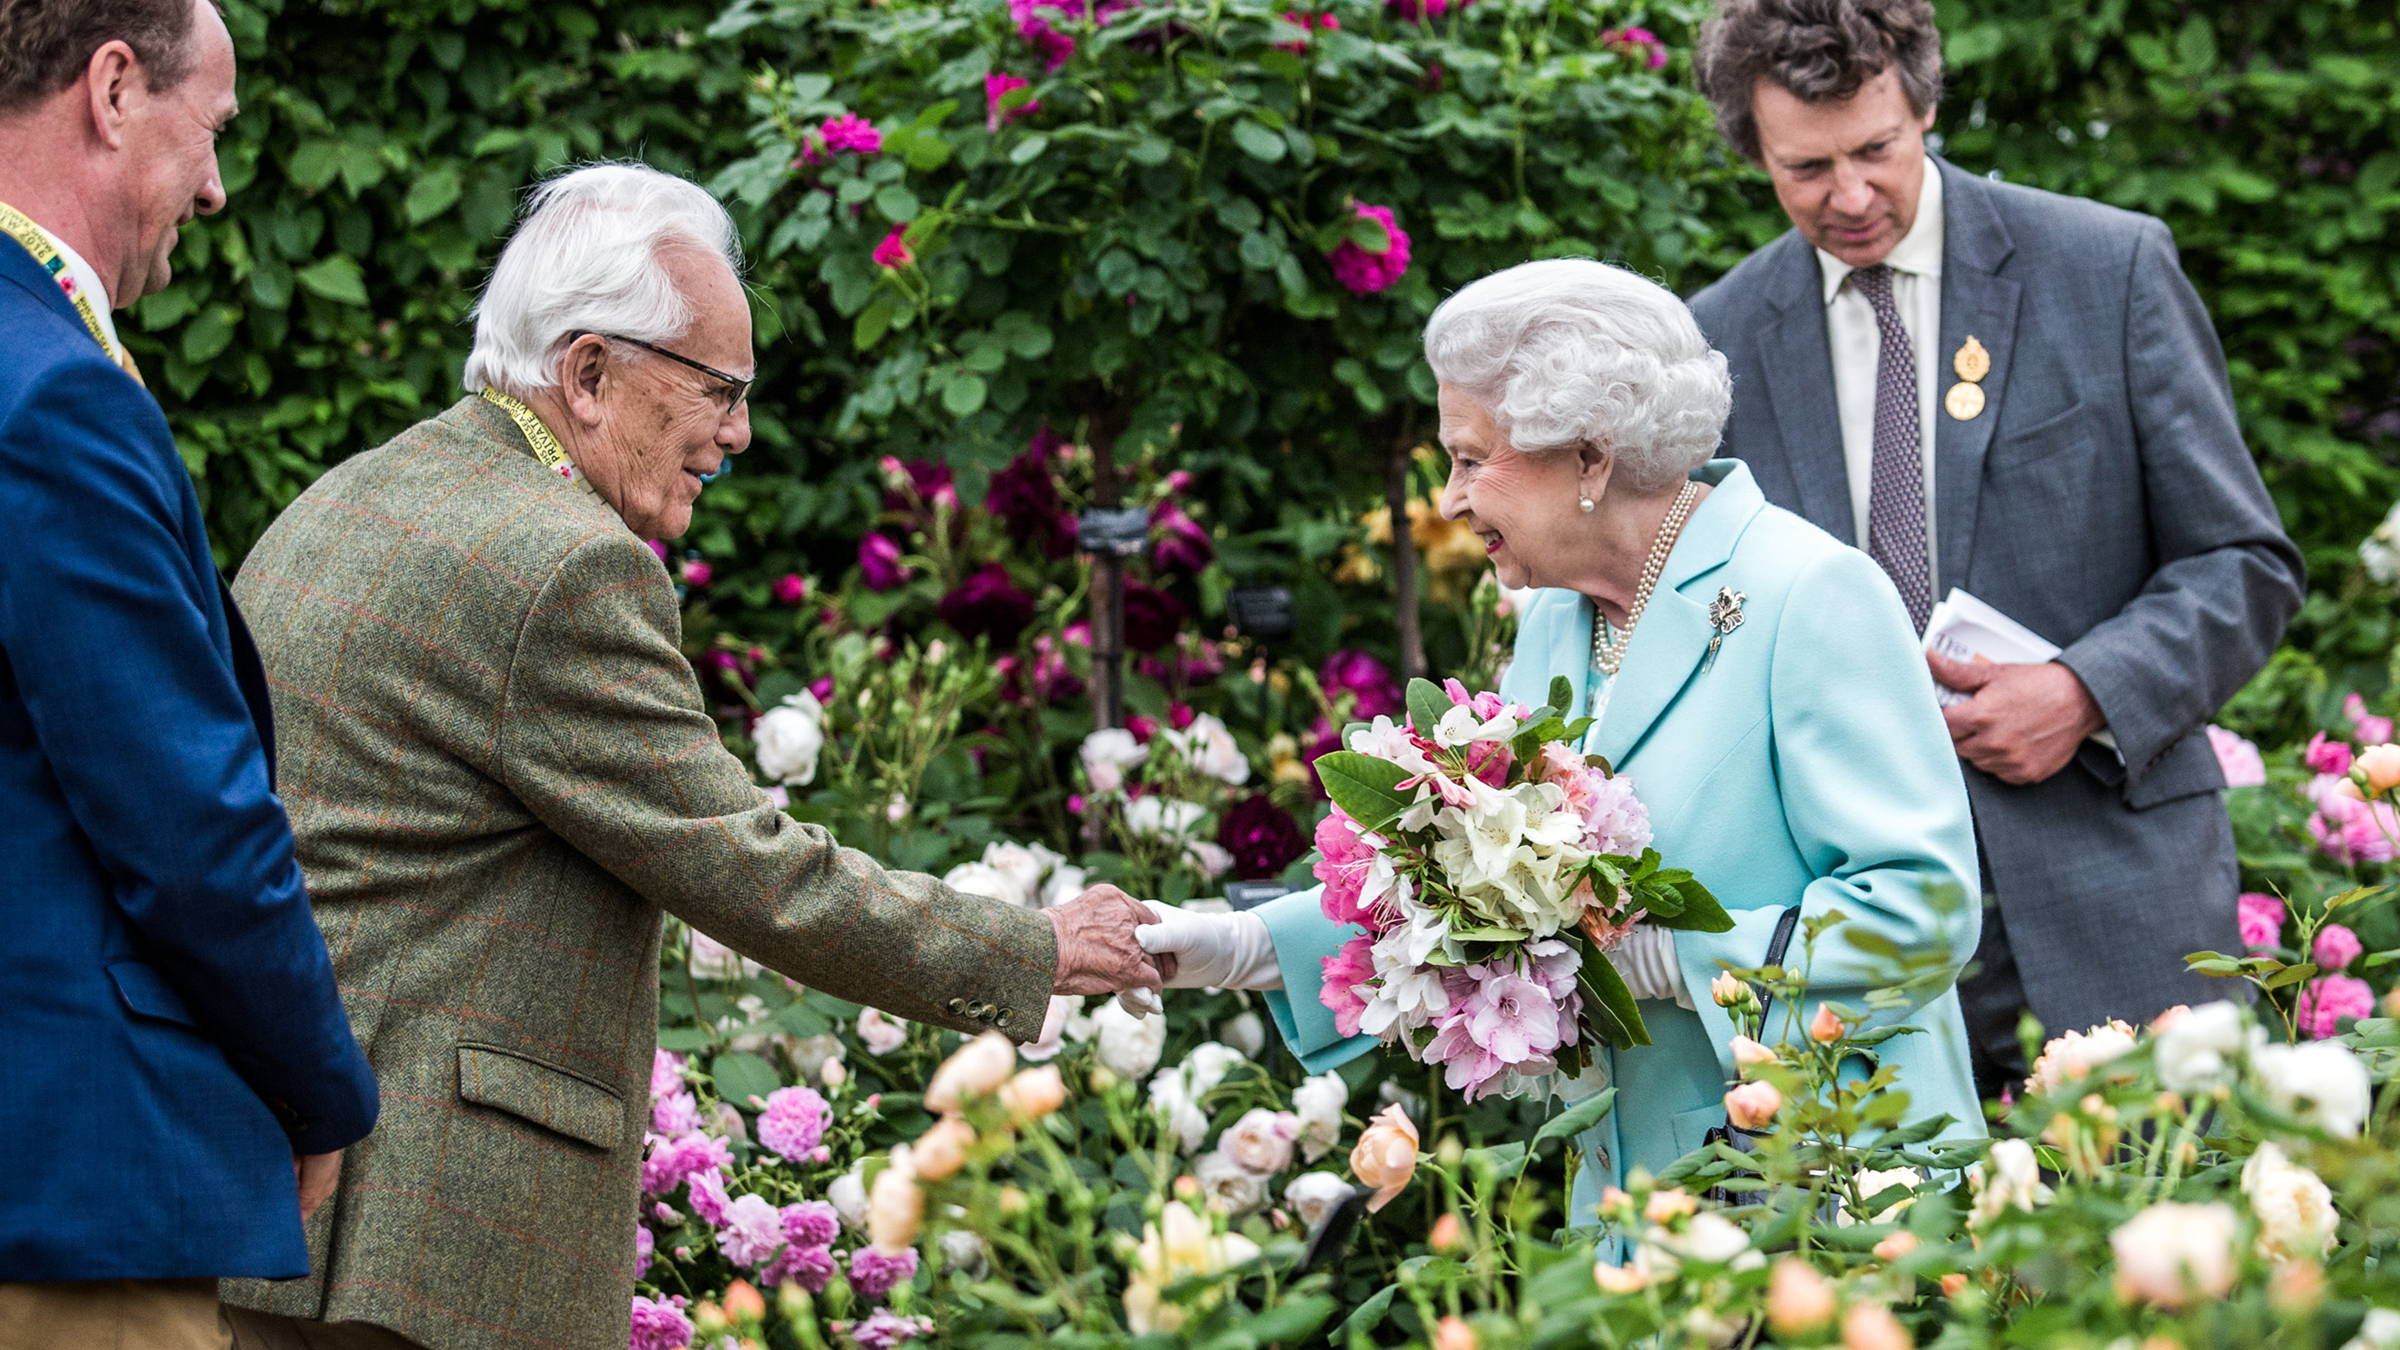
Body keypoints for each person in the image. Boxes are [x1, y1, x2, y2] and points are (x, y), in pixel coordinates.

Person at [216, 163, 1161, 1350]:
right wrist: (1032, 947)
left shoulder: (348, 496)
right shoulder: (562, 564)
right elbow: (749, 867)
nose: (740, 430)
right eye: (719, 389)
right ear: (591, 372)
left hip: (289, 1190)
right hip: (428, 1246)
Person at [1136, 259, 1986, 1226]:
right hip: (1636, 1193)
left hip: (1827, 1185)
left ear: (1589, 456)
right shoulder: (1554, 620)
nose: (1451, 500)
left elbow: (1927, 909)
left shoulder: (1809, 593)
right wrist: (1230, 946)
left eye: (1469, 458)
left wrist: (1670, 963)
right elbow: (1482, 895)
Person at [1685, 0, 2304, 1097]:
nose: (1852, 196)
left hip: (2113, 891)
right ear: (1754, 152)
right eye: (1807, 169)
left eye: (1877, 149)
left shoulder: (2107, 267)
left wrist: (2085, 689)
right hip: (1853, 936)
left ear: (1923, 106)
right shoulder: (1718, 342)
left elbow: (2243, 563)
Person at [0, 0, 380, 1345]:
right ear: (113, 89)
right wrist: (324, 1088)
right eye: (209, 128)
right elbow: (189, 824)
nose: (217, 186)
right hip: (68, 1186)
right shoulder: (50, 393)